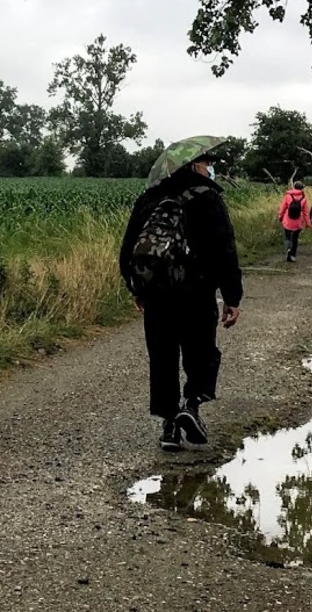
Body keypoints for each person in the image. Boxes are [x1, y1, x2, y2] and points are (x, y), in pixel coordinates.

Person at [120, 153, 242, 452]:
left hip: (157, 294)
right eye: (207, 164)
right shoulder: (208, 197)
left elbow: (130, 247)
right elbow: (224, 249)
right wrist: (232, 296)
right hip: (197, 292)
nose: (210, 169)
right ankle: (191, 404)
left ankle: (170, 426)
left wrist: (136, 287)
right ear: (194, 166)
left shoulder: (150, 197)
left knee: (162, 356)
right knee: (202, 352)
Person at [279, 181, 311, 262]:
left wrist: (280, 217)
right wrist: (308, 223)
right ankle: (293, 255)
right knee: (295, 239)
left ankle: (288, 249)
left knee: (287, 237)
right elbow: (306, 212)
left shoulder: (288, 196)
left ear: (294, 187)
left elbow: (282, 208)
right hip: (298, 222)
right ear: (302, 188)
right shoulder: (303, 199)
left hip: (287, 220)